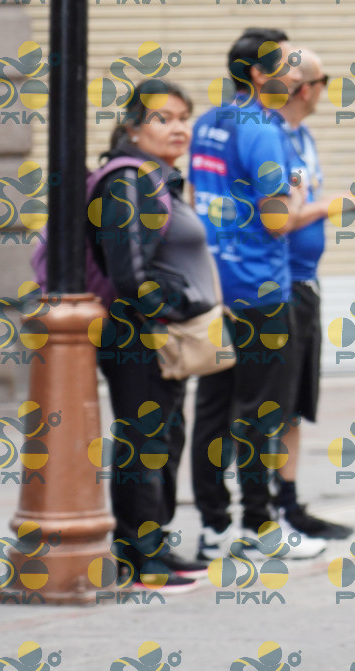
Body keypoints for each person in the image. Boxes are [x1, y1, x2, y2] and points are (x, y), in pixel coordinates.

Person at [188, 30, 326, 561]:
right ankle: (260, 527)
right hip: (261, 290)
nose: (295, 73)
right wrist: (321, 202)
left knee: (214, 409)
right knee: (259, 413)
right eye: (286, 63)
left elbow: (198, 197)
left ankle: (214, 529)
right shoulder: (263, 129)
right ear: (258, 74)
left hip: (215, 287)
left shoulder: (208, 122)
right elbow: (278, 221)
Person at [88, 78, 219, 592]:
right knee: (143, 443)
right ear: (132, 128)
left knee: (163, 438)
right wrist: (176, 307)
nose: (178, 127)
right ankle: (138, 555)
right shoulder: (128, 181)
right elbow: (129, 273)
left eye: (184, 117)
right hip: (138, 336)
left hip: (161, 333)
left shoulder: (158, 179)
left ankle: (156, 542)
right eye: (163, 118)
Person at [276, 46, 352, 541]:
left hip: (306, 283)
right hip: (278, 285)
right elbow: (284, 215)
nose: (325, 90)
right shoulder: (271, 139)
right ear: (306, 88)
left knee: (296, 406)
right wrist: (332, 206)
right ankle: (264, 510)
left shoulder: (302, 138)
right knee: (275, 404)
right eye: (324, 81)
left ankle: (290, 504)